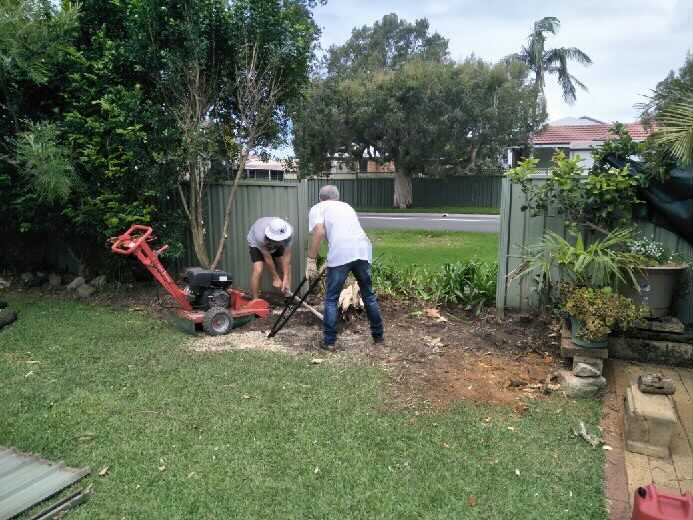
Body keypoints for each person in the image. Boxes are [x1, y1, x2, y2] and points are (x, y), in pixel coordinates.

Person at [305, 185, 383, 351]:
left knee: (331, 299)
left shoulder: (318, 208)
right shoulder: (346, 206)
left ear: (321, 198)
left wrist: (311, 260)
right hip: (362, 250)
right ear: (337, 197)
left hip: (342, 253)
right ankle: (378, 337)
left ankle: (329, 342)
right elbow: (345, 232)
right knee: (369, 295)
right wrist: (330, 258)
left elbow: (319, 232)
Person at [247, 217, 293, 300]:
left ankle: (288, 297)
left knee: (285, 266)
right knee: (258, 269)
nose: (280, 241)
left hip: (274, 243)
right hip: (256, 244)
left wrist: (285, 277)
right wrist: (275, 277)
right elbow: (267, 257)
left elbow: (287, 256)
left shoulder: (288, 232)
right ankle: (255, 300)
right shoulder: (260, 235)